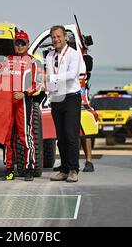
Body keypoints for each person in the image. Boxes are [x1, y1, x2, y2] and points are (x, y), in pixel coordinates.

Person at [0, 31, 42, 182]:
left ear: (28, 44)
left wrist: (24, 93)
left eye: (23, 43)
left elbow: (38, 84)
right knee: (7, 138)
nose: (20, 46)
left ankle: (29, 168)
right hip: (8, 104)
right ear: (14, 45)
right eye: (18, 43)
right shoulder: (8, 60)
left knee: (25, 135)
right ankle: (9, 170)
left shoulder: (34, 62)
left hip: (24, 103)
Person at [46, 25, 82, 183]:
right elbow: (48, 74)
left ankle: (74, 169)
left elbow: (72, 74)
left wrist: (53, 79)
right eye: (53, 37)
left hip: (71, 97)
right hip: (56, 97)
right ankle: (64, 168)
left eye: (59, 36)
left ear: (65, 37)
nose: (56, 39)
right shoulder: (49, 55)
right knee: (60, 136)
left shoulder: (73, 54)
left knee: (70, 134)